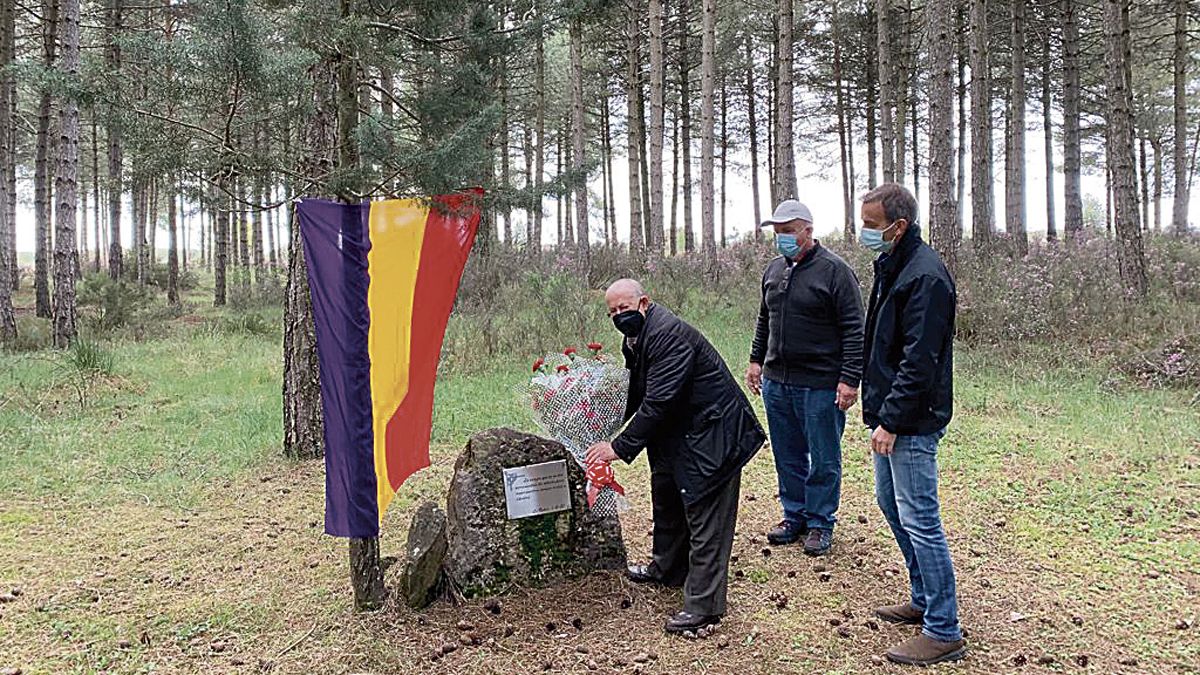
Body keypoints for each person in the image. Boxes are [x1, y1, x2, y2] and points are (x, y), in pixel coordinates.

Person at [587, 279, 766, 635]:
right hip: (679, 433)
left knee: (706, 516)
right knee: (667, 498)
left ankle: (704, 606)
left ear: (644, 302)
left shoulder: (668, 335)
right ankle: (666, 569)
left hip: (713, 434)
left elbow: (660, 401)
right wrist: (602, 419)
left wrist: (619, 447)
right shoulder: (636, 337)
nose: (619, 317)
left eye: (624, 308)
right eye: (612, 312)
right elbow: (639, 390)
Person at [858, 183, 966, 666]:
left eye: (871, 225)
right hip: (890, 414)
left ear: (898, 227)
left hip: (912, 422)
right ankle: (922, 596)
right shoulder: (893, 265)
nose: (864, 233)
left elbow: (919, 362)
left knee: (921, 519)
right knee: (890, 502)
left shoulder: (926, 276)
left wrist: (893, 421)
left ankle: (943, 628)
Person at [748, 199, 864, 556]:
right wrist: (756, 361)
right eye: (777, 233)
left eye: (787, 232)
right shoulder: (773, 270)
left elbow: (854, 329)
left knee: (824, 456)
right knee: (787, 453)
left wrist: (850, 379)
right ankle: (793, 515)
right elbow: (765, 320)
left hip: (820, 383)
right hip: (777, 381)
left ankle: (820, 522)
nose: (781, 238)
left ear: (808, 232)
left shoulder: (835, 272)